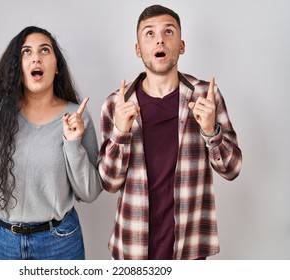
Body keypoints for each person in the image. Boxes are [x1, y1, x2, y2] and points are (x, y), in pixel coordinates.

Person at [97, 5, 242, 260]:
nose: (160, 39)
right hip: (133, 245)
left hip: (190, 248)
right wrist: (120, 131)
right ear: (138, 49)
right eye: (149, 34)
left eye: (169, 32)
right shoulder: (115, 104)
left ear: (182, 45)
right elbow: (109, 183)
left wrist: (211, 131)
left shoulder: (206, 96)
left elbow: (232, 169)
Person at [0, 26, 102, 260]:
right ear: (17, 66)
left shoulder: (76, 117)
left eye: (44, 50)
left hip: (59, 244)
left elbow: (89, 192)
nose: (36, 57)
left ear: (57, 66)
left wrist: (72, 143)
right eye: (26, 52)